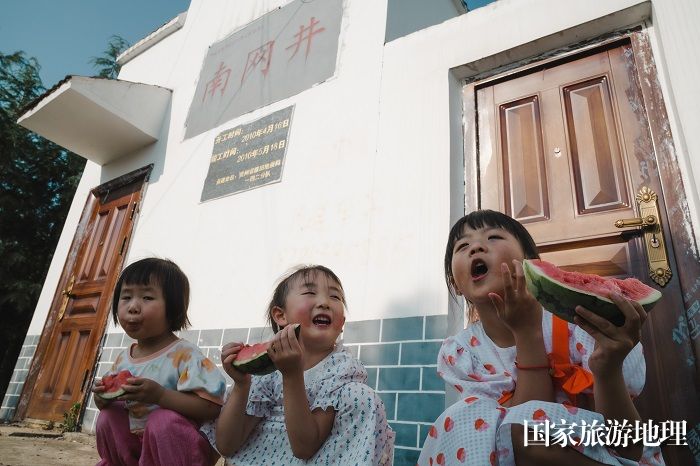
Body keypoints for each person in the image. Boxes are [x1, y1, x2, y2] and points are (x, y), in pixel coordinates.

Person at [418, 210, 664, 466]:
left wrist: (607, 368)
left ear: (530, 263)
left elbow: (627, 447)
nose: (476, 247)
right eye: (463, 245)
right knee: (463, 419)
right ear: (455, 283)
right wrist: (527, 334)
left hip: (606, 456)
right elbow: (515, 438)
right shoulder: (464, 352)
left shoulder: (579, 323)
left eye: (493, 237)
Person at [201, 265, 395, 465]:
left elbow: (304, 447)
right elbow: (227, 445)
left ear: (342, 323)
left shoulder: (342, 369)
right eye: (310, 292)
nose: (324, 302)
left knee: (361, 396)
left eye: (335, 297)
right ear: (281, 316)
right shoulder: (267, 371)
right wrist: (242, 385)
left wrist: (292, 376)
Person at [93, 258, 226, 466]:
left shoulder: (185, 355)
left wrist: (160, 396)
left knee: (162, 420)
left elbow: (212, 408)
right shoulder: (123, 358)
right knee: (108, 415)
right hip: (136, 452)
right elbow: (115, 405)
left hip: (179, 453)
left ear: (173, 309)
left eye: (147, 297)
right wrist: (102, 400)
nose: (133, 307)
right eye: (126, 297)